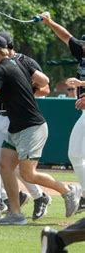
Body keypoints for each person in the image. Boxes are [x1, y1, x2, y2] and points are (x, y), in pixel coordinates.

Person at [0, 33, 80, 225]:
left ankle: (68, 190)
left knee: (28, 174)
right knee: (5, 167)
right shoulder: (5, 66)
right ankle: (15, 214)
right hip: (17, 126)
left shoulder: (3, 69)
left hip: (31, 127)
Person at [41, 12, 85, 213]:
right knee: (76, 154)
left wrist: (81, 83)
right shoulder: (82, 51)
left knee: (75, 154)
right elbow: (66, 36)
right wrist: (50, 23)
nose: (83, 47)